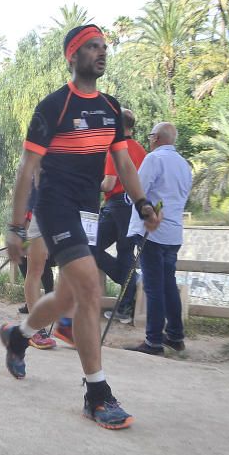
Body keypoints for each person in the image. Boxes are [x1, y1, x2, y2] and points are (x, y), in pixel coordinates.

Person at [0, 23, 160, 430]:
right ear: (72, 56)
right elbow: (27, 168)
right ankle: (97, 393)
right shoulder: (53, 106)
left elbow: (123, 162)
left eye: (104, 46)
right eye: (91, 47)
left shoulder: (110, 107)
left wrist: (141, 202)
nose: (101, 52)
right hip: (55, 207)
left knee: (69, 297)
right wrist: (16, 226)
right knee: (91, 287)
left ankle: (19, 336)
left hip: (88, 213)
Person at [124, 122, 193, 355]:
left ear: (155, 138)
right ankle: (175, 335)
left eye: (150, 136)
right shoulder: (184, 164)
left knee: (153, 287)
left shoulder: (154, 159)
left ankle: (153, 340)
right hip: (174, 232)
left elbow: (137, 190)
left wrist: (129, 199)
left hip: (151, 231)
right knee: (168, 285)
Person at [95, 108, 147, 325]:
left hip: (116, 205)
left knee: (87, 245)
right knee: (126, 253)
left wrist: (87, 185)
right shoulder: (142, 151)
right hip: (134, 206)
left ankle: (132, 283)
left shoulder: (115, 149)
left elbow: (108, 183)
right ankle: (125, 306)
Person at [18, 180, 56, 349]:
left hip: (71, 210)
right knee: (36, 268)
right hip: (42, 210)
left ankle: (67, 323)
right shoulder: (41, 156)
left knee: (76, 271)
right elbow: (30, 184)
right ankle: (35, 329)